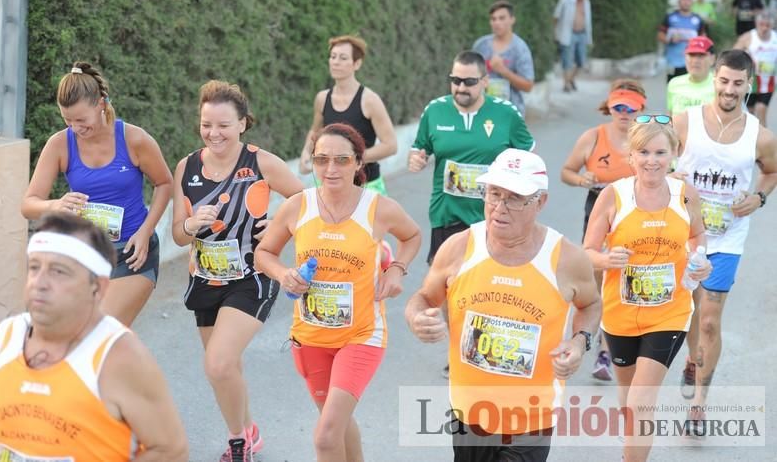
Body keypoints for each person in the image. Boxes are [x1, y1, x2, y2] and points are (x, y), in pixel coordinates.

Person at [406, 148, 600, 462]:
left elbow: (590, 305)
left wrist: (580, 342)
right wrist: (418, 317)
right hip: (470, 413)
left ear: (540, 202)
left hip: (532, 418)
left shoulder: (566, 258)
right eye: (494, 193)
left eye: (514, 198)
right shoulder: (458, 247)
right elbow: (424, 297)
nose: (499, 207)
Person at [254, 123, 421, 462]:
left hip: (361, 336)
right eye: (321, 160)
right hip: (310, 336)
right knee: (338, 425)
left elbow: (413, 236)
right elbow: (263, 254)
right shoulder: (297, 206)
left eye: (341, 160)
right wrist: (284, 274)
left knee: (326, 436)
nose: (330, 169)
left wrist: (396, 269)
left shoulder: (378, 208)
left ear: (359, 163)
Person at [0, 212, 187, 462]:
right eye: (35, 267)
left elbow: (171, 450)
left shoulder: (119, 356)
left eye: (59, 271)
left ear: (98, 287)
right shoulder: (6, 336)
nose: (40, 282)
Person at [172, 80, 304, 462]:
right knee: (225, 368)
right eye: (206, 124)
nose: (214, 133)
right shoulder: (187, 166)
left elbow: (304, 200)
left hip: (253, 276)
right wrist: (192, 225)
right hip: (206, 278)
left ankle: (237, 441)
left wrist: (279, 219)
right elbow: (180, 236)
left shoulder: (260, 162)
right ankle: (250, 431)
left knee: (218, 362)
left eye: (224, 125)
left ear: (243, 124)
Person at [584, 116, 711, 461]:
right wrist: (607, 260)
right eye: (644, 152)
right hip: (619, 314)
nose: (652, 160)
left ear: (674, 154)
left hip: (670, 312)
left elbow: (697, 236)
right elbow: (587, 253)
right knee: (627, 399)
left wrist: (700, 259)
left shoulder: (686, 194)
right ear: (631, 155)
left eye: (660, 152)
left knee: (641, 402)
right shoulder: (613, 196)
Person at [409, 50, 535, 377]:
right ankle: (461, 350)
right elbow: (420, 147)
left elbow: (528, 157)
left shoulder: (505, 114)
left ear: (484, 82)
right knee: (451, 288)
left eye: (468, 81)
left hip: (495, 215)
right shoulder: (435, 111)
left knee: (494, 284)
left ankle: (495, 345)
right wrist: (417, 159)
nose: (460, 88)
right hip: (447, 213)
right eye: (455, 80)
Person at [21, 62, 173, 327]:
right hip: (84, 257)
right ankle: (128, 367)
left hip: (131, 253)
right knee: (90, 338)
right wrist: (56, 205)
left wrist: (146, 231)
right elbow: (28, 205)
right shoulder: (60, 144)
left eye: (81, 120)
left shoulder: (134, 139)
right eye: (67, 120)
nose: (75, 127)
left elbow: (164, 183)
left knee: (100, 330)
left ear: (101, 104)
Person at [672, 49, 777, 433]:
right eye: (724, 81)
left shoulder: (760, 136)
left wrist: (759, 197)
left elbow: (771, 171)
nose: (730, 90)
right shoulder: (685, 123)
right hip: (684, 237)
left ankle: (699, 404)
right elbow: (656, 161)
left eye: (738, 83)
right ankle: (691, 359)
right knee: (690, 318)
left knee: (712, 323)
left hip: (727, 240)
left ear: (749, 84)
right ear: (714, 79)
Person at [561, 80, 645, 380]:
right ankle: (582, 340)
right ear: (608, 107)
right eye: (617, 107)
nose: (623, 113)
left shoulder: (645, 139)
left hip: (633, 213)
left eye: (630, 108)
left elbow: (664, 169)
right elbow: (566, 171)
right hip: (598, 211)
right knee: (596, 282)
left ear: (640, 109)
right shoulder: (593, 137)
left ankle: (605, 353)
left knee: (620, 282)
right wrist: (581, 179)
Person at [299, 35, 397, 196]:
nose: (335, 62)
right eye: (333, 57)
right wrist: (305, 152)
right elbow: (315, 132)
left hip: (366, 186)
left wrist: (351, 159)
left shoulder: (370, 101)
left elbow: (391, 145)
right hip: (331, 186)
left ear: (356, 64)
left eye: (343, 58)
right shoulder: (322, 98)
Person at [472, 0, 535, 117]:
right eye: (493, 19)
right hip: (482, 112)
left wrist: (503, 70)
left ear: (512, 20)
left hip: (510, 114)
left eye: (502, 18)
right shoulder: (480, 45)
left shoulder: (520, 49)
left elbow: (528, 86)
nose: (497, 23)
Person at [734, 13, 777, 126]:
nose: (764, 28)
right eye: (761, 24)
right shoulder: (748, 37)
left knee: (761, 109)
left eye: (767, 25)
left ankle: (765, 142)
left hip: (769, 81)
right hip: (751, 82)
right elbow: (733, 55)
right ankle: (750, 139)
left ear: (772, 25)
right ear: (756, 24)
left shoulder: (775, 38)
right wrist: (747, 60)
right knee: (750, 113)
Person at [553, 0, 594, 92]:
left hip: (582, 34)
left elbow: (588, 21)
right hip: (568, 33)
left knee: (581, 61)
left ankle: (571, 79)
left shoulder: (587, 2)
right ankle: (566, 84)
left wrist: (589, 38)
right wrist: (556, 32)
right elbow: (556, 15)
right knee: (568, 60)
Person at [658, 0, 705, 82]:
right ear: (679, 2)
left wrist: (696, 43)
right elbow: (660, 35)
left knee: (688, 89)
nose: (686, 2)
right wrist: (670, 39)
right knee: (672, 86)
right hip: (672, 61)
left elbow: (703, 39)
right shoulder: (670, 17)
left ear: (692, 2)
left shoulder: (698, 19)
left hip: (691, 62)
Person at [667, 36, 716, 117]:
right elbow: (669, 119)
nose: (695, 60)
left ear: (712, 59)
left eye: (701, 55)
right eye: (691, 55)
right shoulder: (674, 84)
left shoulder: (720, 86)